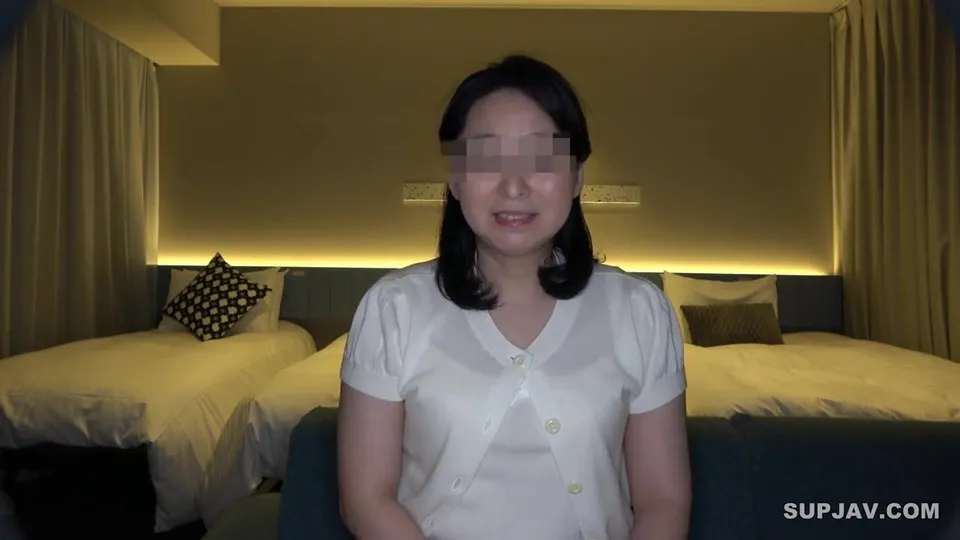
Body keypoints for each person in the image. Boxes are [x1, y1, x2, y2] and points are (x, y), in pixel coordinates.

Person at [337, 54, 691, 540]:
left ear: (577, 175)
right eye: (486, 159)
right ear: (456, 178)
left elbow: (663, 501)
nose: (514, 186)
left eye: (541, 158)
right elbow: (365, 500)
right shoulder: (392, 310)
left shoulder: (640, 313)